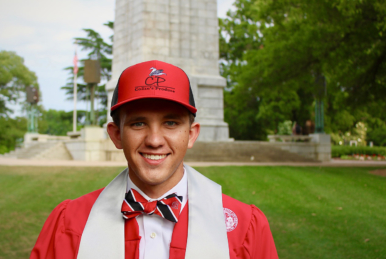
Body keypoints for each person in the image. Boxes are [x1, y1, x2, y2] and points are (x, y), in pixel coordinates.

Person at [30, 60, 279, 259]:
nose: (155, 140)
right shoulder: (69, 224)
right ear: (116, 135)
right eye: (138, 123)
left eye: (171, 123)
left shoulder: (245, 229)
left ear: (191, 135)